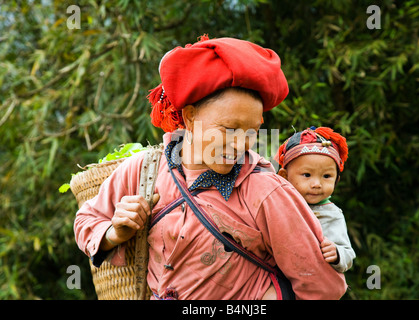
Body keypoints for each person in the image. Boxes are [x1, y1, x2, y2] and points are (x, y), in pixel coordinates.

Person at [74, 35, 347, 300]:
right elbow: (86, 221)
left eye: (252, 131)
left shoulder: (266, 191)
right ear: (191, 116)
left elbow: (322, 287)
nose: (241, 144)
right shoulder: (145, 170)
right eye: (229, 129)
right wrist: (114, 233)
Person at [275, 126, 356, 273]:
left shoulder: (332, 214)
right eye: (306, 175)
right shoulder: (276, 205)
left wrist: (337, 253)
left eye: (326, 176)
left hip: (313, 280)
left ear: (336, 180)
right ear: (284, 176)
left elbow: (348, 255)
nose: (317, 184)